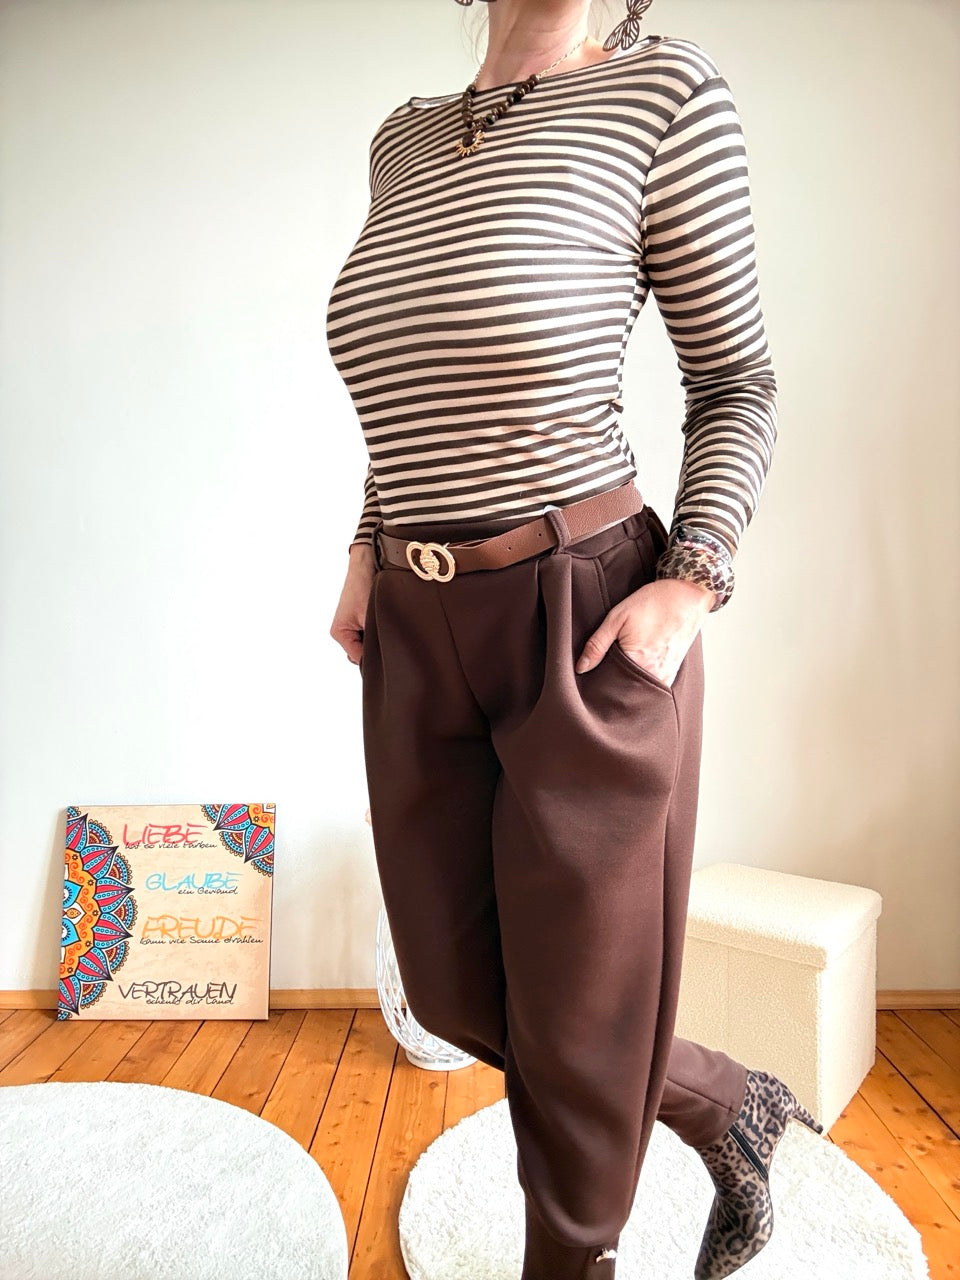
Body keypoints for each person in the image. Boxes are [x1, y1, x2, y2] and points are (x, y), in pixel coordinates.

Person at [327, 1, 824, 1276]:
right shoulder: (404, 138)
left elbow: (739, 379)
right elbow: (414, 388)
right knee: (451, 988)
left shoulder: (664, 94)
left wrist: (693, 579)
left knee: (583, 1012)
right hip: (417, 619)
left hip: (585, 610)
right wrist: (365, 543)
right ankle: (724, 1097)